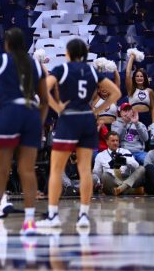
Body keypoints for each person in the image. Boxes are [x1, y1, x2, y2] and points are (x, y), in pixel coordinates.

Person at [40, 38, 121, 232]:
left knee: (56, 169)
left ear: (68, 53)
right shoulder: (93, 71)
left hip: (69, 119)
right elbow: (116, 93)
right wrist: (97, 110)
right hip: (87, 119)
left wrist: (57, 106)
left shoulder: (63, 69)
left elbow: (42, 88)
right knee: (85, 170)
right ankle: (84, 215)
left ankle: (53, 216)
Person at [0, 28, 48, 238]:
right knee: (27, 171)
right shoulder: (36, 64)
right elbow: (44, 100)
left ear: (7, 43)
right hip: (31, 114)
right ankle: (29, 223)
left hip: (9, 113)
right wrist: (39, 122)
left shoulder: (0, 60)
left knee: (0, 170)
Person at [125, 55, 154, 125]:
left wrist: (153, 124)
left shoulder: (150, 91)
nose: (139, 78)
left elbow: (152, 108)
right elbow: (127, 74)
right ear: (134, 78)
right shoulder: (131, 89)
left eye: (141, 76)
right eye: (137, 76)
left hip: (146, 118)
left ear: (145, 78)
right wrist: (132, 57)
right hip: (133, 117)